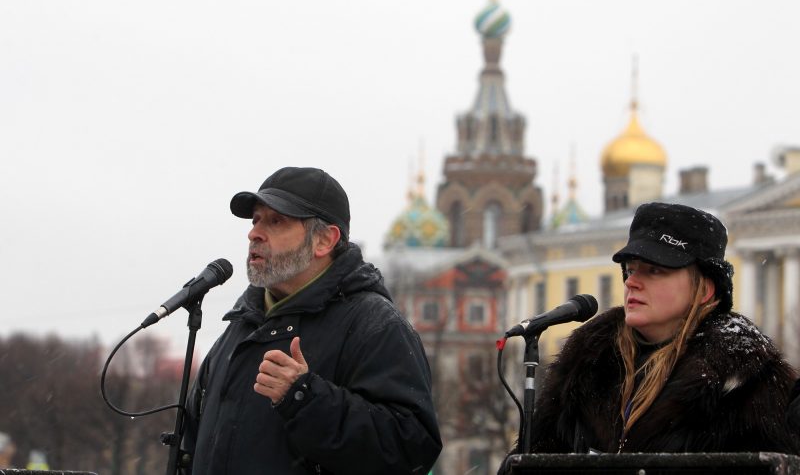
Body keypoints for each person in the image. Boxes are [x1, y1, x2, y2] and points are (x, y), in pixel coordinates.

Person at [182, 167, 442, 475]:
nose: (254, 233)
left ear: (324, 240)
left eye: (276, 221)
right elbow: (195, 445)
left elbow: (411, 448)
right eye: (256, 220)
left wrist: (304, 398)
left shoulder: (375, 324)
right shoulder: (241, 327)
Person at [509, 202, 800, 459]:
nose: (632, 282)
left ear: (705, 290)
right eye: (631, 269)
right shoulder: (585, 366)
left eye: (655, 270)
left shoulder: (750, 383)